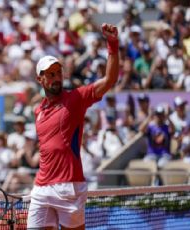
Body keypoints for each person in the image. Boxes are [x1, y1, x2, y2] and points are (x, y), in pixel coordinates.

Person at [27, 23, 119, 230]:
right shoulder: (38, 111)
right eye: (50, 74)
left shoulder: (76, 98)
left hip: (69, 187)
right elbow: (48, 150)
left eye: (58, 73)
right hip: (41, 188)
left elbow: (110, 79)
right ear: (40, 79)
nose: (56, 77)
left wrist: (112, 44)